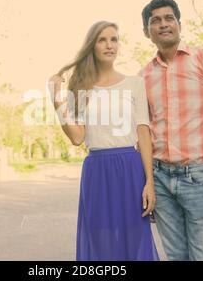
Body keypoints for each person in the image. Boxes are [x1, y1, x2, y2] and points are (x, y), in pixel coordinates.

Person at [138, 0, 203, 261]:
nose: (163, 24)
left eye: (169, 18)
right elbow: (144, 133)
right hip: (160, 179)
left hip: (200, 177)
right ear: (147, 32)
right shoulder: (143, 76)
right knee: (176, 256)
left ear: (179, 24)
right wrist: (147, 182)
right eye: (155, 21)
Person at [48, 21, 160, 261]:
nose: (110, 45)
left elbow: (143, 133)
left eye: (114, 39)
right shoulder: (79, 87)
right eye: (102, 40)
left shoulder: (135, 84)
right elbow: (77, 138)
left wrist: (149, 181)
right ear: (92, 46)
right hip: (97, 169)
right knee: (100, 238)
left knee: (135, 235)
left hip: (130, 168)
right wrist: (56, 102)